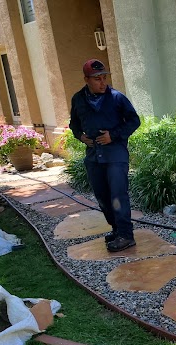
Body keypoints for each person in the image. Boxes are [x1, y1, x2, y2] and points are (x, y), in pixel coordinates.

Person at [69, 59, 140, 252]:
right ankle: (117, 230)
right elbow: (74, 124)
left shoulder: (117, 98)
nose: (102, 83)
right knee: (102, 196)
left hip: (115, 154)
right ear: (87, 80)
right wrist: (81, 136)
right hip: (94, 156)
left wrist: (113, 135)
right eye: (97, 79)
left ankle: (126, 235)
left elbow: (134, 121)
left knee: (118, 194)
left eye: (104, 78)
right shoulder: (78, 99)